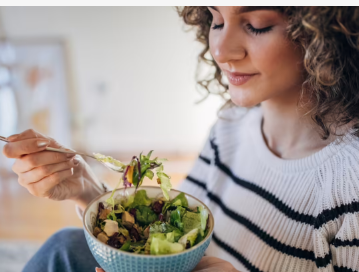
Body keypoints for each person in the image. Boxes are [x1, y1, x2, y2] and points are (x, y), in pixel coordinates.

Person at [3, 6, 359, 272]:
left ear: (325, 34)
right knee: (66, 246)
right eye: (216, 20)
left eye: (256, 26)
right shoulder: (230, 127)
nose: (221, 50)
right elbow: (176, 231)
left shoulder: (349, 182)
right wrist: (91, 192)